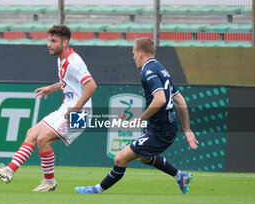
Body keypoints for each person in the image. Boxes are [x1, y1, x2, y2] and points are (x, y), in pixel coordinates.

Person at [75, 37, 198, 195]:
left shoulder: (148, 71)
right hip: (163, 127)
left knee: (120, 159)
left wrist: (140, 119)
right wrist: (187, 129)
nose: (132, 56)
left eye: (133, 53)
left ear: (140, 53)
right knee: (143, 157)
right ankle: (181, 176)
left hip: (161, 130)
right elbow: (179, 99)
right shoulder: (160, 68)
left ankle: (96, 190)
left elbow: (160, 99)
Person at [0, 25, 97, 192]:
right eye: (48, 40)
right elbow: (70, 82)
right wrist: (52, 88)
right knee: (32, 133)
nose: (49, 44)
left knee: (43, 139)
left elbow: (91, 85)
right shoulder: (62, 58)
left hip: (80, 113)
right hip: (68, 108)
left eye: (53, 41)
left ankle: (49, 182)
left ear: (65, 42)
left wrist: (76, 107)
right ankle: (8, 172)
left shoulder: (73, 61)